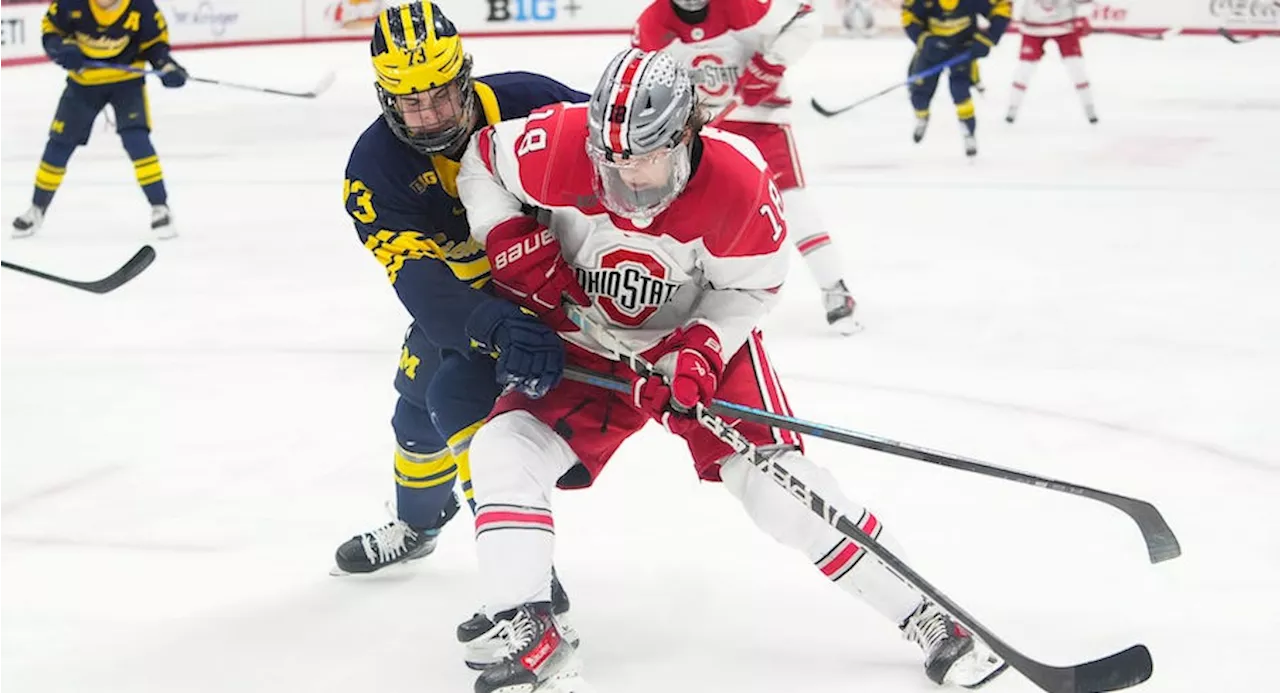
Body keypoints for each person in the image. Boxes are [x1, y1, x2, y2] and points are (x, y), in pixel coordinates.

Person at [455, 47, 1008, 693]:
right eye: (611, 161)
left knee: (775, 488)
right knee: (503, 447)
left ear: (684, 134)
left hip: (693, 338)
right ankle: (530, 625)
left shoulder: (739, 183)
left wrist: (698, 352)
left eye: (643, 158)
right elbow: (482, 160)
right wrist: (505, 238)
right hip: (584, 337)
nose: (625, 178)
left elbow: (747, 292)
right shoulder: (561, 140)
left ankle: (929, 613)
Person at [333, 3, 585, 640]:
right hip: (469, 298)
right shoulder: (374, 169)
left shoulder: (533, 102)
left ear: (466, 75)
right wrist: (488, 324)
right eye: (411, 105)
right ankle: (420, 526)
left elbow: (624, 145)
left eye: (443, 97)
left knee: (453, 398)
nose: (432, 117)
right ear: (385, 99)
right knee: (413, 409)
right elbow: (417, 279)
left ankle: (522, 571)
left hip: (559, 285)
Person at [632, 0, 861, 335]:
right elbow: (643, 84)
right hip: (700, 131)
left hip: (761, 122)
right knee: (681, 214)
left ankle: (834, 287)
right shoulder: (652, 24)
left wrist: (771, 64)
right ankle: (673, 299)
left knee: (791, 205)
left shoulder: (743, 6)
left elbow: (807, 19)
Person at [11, 0, 187, 240]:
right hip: (83, 85)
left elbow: (155, 44)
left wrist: (166, 66)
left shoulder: (141, 6)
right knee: (59, 144)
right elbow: (51, 31)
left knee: (136, 139)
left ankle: (160, 207)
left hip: (126, 83)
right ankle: (37, 208)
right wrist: (62, 49)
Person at [901, 0, 1011, 156]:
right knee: (919, 91)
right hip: (933, 48)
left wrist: (988, 38)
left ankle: (968, 131)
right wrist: (923, 40)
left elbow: (1002, 7)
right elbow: (908, 15)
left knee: (960, 91)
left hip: (962, 48)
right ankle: (921, 116)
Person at [1006, 0, 1097, 124]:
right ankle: (1013, 108)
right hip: (1033, 27)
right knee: (1024, 69)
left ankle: (1089, 108)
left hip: (1064, 27)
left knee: (1076, 68)